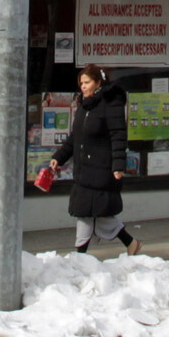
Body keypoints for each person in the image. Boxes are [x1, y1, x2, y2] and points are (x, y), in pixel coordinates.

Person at [43, 64, 142, 254]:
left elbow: (118, 136)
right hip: (85, 170)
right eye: (81, 83)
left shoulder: (111, 104)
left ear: (98, 82)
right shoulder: (84, 105)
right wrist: (59, 158)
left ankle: (79, 257)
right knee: (96, 214)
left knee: (86, 213)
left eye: (87, 82)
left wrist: (118, 166)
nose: (83, 86)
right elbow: (75, 138)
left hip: (102, 169)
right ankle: (131, 244)